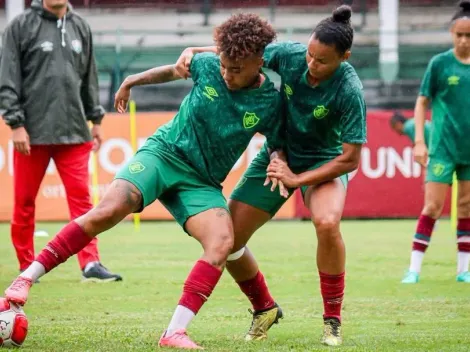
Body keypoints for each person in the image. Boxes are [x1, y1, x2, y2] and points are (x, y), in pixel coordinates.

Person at [4, 13, 284, 350]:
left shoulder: (270, 101)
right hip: (163, 155)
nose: (226, 74)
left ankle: (174, 332)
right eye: (223, 65)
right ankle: (24, 280)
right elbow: (172, 70)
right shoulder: (208, 65)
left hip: (202, 182)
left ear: (258, 62)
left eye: (235, 70)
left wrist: (278, 159)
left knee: (223, 241)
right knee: (109, 209)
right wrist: (132, 80)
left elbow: (278, 141)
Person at [176, 5, 366, 346]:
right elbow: (244, 54)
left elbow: (350, 159)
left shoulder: (350, 89)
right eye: (309, 54)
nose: (311, 64)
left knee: (326, 223)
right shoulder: (291, 56)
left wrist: (296, 180)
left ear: (345, 57)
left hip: (322, 163)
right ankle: (264, 308)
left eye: (322, 60)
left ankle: (332, 319)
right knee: (228, 238)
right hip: (277, 156)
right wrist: (194, 51)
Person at [0, 0, 121, 282]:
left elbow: (89, 78)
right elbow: (7, 79)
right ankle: (26, 265)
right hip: (32, 133)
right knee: (25, 202)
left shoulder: (81, 26)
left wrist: (97, 119)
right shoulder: (19, 26)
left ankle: (90, 264)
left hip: (76, 132)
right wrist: (16, 124)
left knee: (83, 203)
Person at [401, 0, 470, 284]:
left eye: (469, 36)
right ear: (451, 34)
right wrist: (419, 141)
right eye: (459, 35)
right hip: (442, 149)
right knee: (432, 207)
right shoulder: (440, 64)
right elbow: (421, 103)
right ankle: (414, 269)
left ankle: (463, 270)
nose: (464, 41)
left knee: (466, 208)